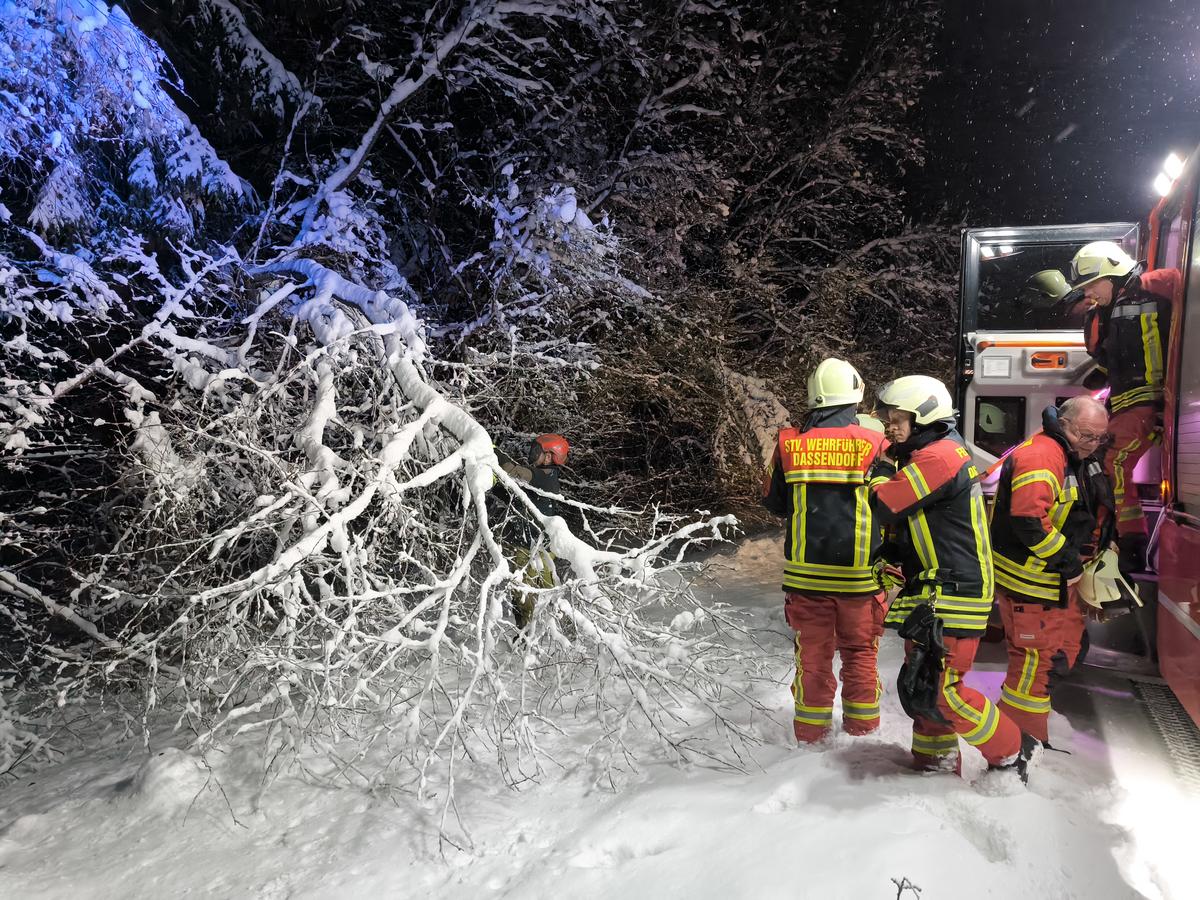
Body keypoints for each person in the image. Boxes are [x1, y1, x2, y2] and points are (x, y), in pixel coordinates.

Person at [868, 375, 1035, 781]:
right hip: (937, 588)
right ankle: (935, 764)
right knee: (923, 685)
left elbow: (886, 502)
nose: (890, 425)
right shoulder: (931, 454)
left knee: (944, 692)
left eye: (898, 418)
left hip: (955, 591)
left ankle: (1015, 751)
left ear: (924, 416)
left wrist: (879, 469)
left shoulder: (940, 457)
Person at [762, 358, 890, 743]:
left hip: (807, 579)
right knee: (860, 654)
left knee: (813, 659)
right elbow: (893, 503)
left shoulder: (790, 444)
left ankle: (810, 737)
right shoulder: (875, 444)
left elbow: (774, 503)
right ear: (855, 396)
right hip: (860, 579)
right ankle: (862, 734)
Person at [989, 397, 1113, 745]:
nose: (1093, 444)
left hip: (1055, 581)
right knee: (1035, 665)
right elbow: (1029, 521)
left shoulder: (1075, 454)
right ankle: (1019, 742)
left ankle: (1020, 733)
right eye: (1086, 435)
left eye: (1099, 438)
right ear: (1065, 424)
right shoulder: (1042, 455)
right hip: (1033, 583)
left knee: (1060, 655)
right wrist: (1069, 562)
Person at [1068, 241, 1179, 572]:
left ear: (1114, 273)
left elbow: (1187, 283)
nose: (1088, 293)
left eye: (1092, 284)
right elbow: (1115, 356)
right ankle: (1115, 536)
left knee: (1111, 462)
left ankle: (1130, 541)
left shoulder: (1155, 285)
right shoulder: (1105, 312)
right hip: (1130, 401)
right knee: (1101, 461)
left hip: (1150, 399)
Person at [498, 433, 570, 630]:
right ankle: (526, 633)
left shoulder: (545, 477)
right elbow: (513, 493)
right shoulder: (539, 479)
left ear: (548, 457)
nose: (532, 455)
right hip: (527, 546)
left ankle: (565, 631)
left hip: (538, 549)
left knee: (541, 593)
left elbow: (513, 471)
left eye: (537, 451)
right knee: (524, 592)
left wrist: (491, 450)